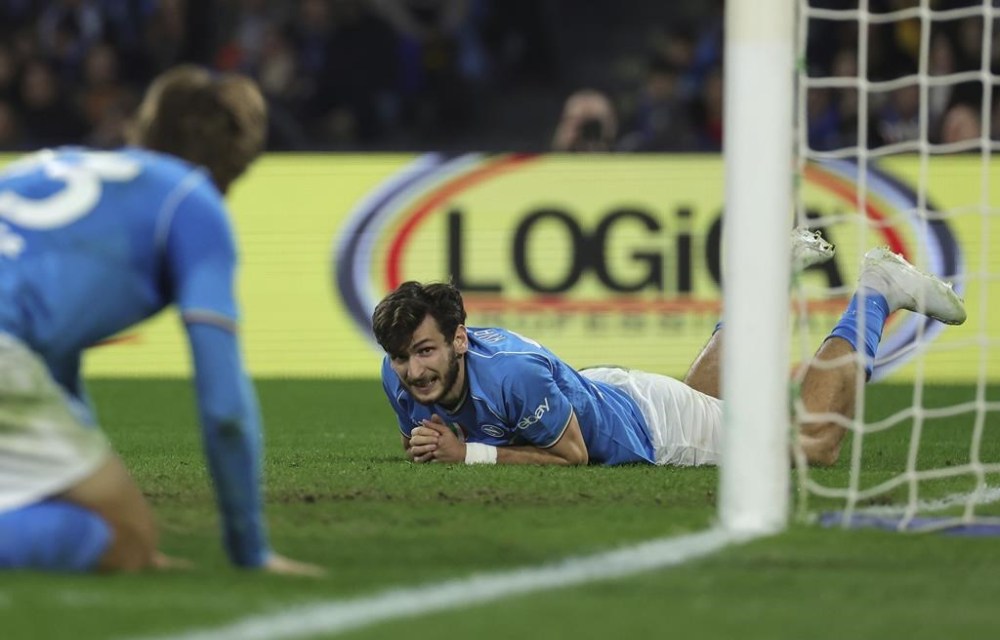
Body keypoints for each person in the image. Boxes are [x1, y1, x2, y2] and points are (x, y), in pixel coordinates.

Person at [0, 65, 322, 575]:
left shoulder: (60, 164)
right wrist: (250, 550)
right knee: (125, 539)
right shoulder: (189, 201)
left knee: (83, 509)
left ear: (145, 126)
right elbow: (224, 409)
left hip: (13, 348)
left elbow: (54, 363)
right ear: (237, 161)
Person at [373, 232, 966, 467]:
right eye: (402, 357)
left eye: (424, 351)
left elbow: (573, 459)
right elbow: (426, 426)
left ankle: (876, 291)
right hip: (603, 389)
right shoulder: (396, 373)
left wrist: (467, 456)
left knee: (813, 449)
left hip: (649, 426)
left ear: (458, 337)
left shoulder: (512, 375)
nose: (413, 371)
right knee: (703, 397)